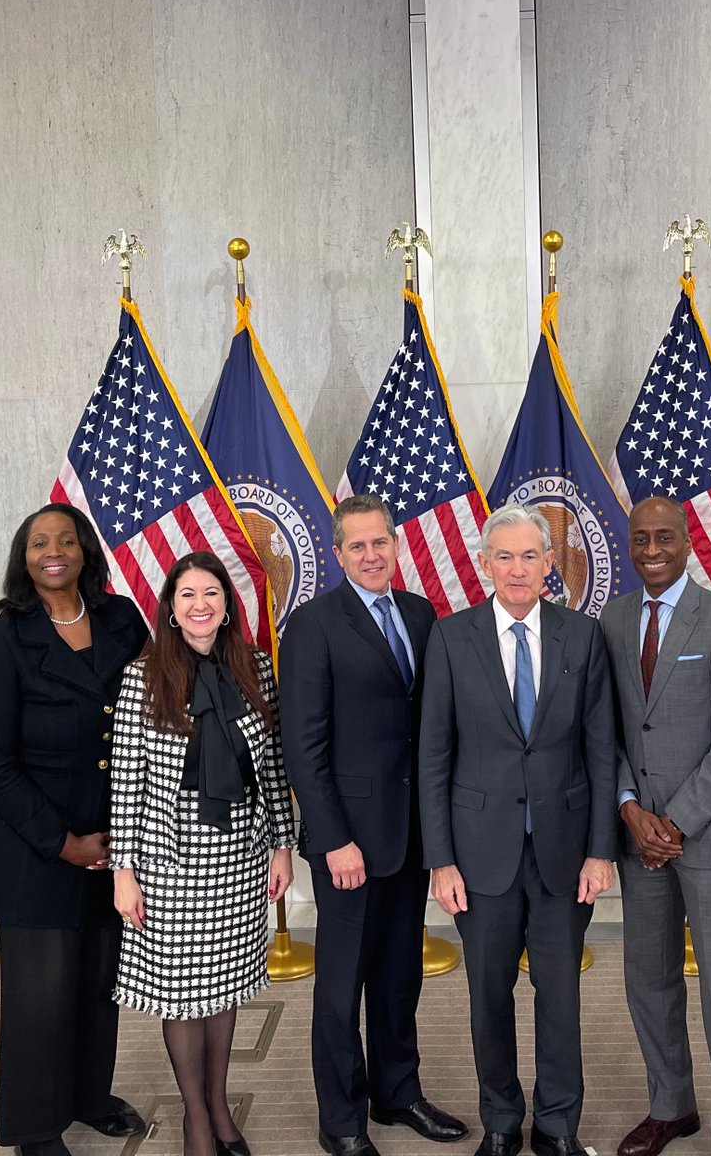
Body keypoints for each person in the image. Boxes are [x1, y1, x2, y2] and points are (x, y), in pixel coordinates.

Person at [419, 504, 617, 1156]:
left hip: (564, 854)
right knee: (488, 997)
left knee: (560, 998)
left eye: (530, 556)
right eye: (503, 556)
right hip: (479, 857)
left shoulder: (582, 637)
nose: (517, 568)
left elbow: (600, 749)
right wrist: (441, 860)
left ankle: (557, 1126)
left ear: (549, 564)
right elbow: (434, 756)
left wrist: (599, 851)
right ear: (484, 565)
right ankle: (502, 1122)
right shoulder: (451, 637)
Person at [279, 495, 467, 1156]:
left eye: (379, 543)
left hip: (412, 835)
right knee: (340, 986)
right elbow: (303, 745)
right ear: (336, 554)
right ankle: (341, 1120)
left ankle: (397, 1093)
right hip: (349, 842)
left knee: (397, 975)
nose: (370, 555)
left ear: (396, 544)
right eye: (356, 546)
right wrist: (331, 838)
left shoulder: (420, 614)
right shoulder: (312, 625)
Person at [0, 503, 150, 1156]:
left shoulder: (121, 619)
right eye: (39, 542)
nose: (53, 551)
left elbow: (150, 709)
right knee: (39, 998)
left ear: (84, 551)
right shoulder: (3, 641)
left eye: (65, 540)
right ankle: (33, 1131)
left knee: (98, 981)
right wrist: (63, 843)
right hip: (33, 848)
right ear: (24, 556)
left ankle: (88, 1098)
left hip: (107, 841)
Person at [109, 550, 296, 1156]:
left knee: (223, 990)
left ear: (226, 604)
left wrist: (283, 846)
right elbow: (126, 782)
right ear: (170, 607)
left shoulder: (255, 668)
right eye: (187, 594)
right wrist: (123, 870)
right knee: (182, 993)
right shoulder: (144, 674)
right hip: (169, 861)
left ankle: (220, 1105)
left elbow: (271, 765)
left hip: (240, 857)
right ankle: (196, 1117)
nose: (200, 604)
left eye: (210, 593)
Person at [599, 497, 711, 1156]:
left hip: (709, 836)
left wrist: (676, 822)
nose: (652, 549)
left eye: (665, 537)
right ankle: (671, 1106)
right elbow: (602, 729)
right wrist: (631, 809)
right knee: (649, 979)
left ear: (689, 542)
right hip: (640, 838)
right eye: (640, 539)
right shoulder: (610, 620)